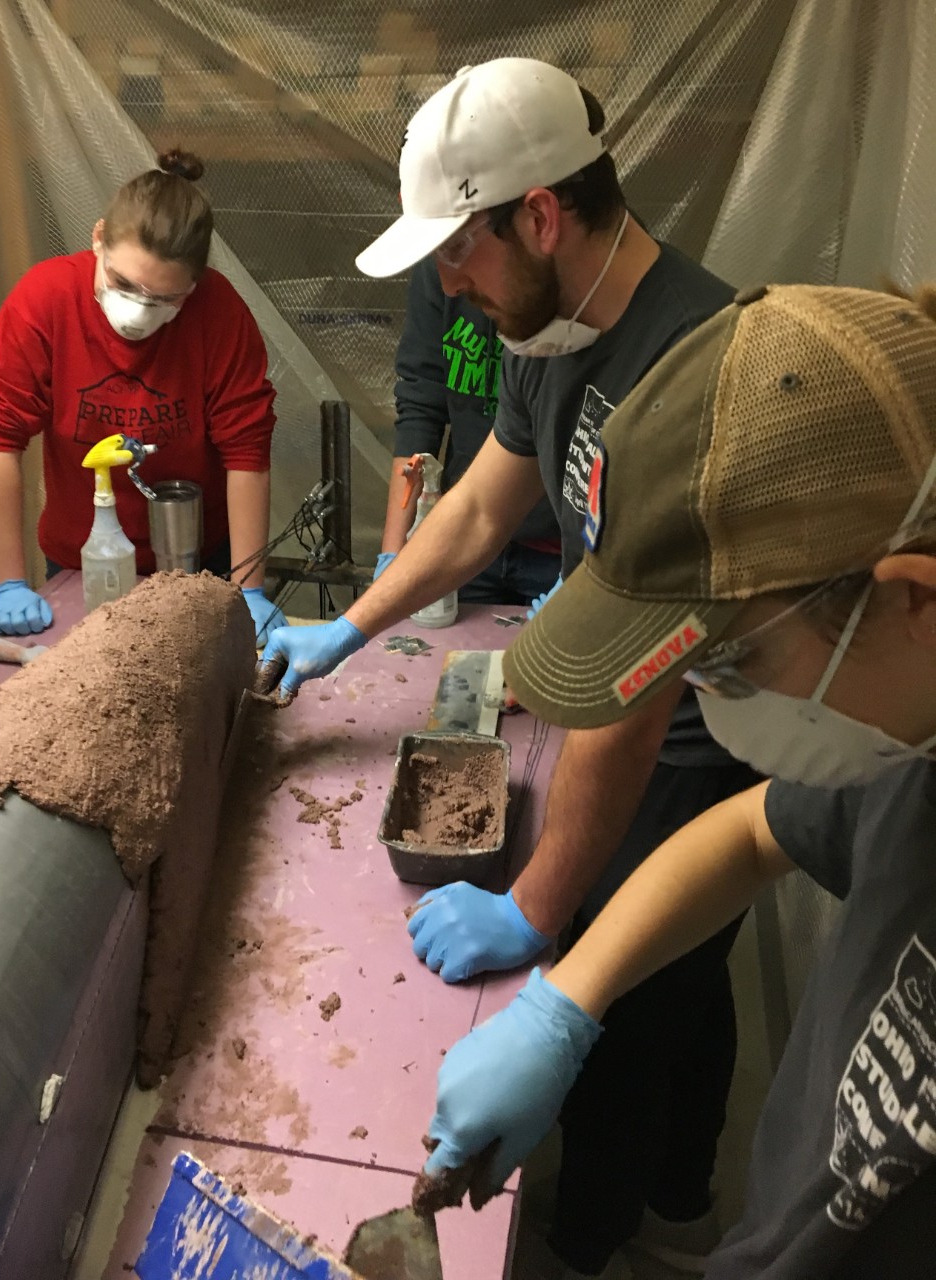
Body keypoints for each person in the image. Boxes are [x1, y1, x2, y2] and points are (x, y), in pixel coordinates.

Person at [259, 60, 755, 1277]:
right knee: (653, 989)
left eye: (457, 251)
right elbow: (481, 507)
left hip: (699, 737)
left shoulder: (685, 364)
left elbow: (636, 703)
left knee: (624, 1003)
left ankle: (596, 1243)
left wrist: (534, 909)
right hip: (633, 704)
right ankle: (663, 1188)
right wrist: (353, 625)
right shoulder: (550, 323)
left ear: (538, 213)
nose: (447, 282)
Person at [424, 281, 936, 1279]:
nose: (703, 697)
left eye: (730, 664)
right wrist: (565, 997)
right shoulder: (905, 750)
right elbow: (751, 831)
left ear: (912, 598)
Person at [0, 149, 285, 644]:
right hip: (79, 562)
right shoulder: (44, 301)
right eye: (122, 284)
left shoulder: (220, 313)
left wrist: (247, 587)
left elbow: (247, 453)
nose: (138, 313)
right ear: (97, 239)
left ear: (194, 287)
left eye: (165, 300)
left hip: (198, 558)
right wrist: (6, 584)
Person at [375, 259, 561, 604]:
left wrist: (585, 566)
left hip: (560, 548)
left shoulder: (573, 273)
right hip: (465, 536)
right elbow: (420, 403)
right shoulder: (439, 268)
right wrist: (393, 555)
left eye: (458, 252)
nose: (450, 286)